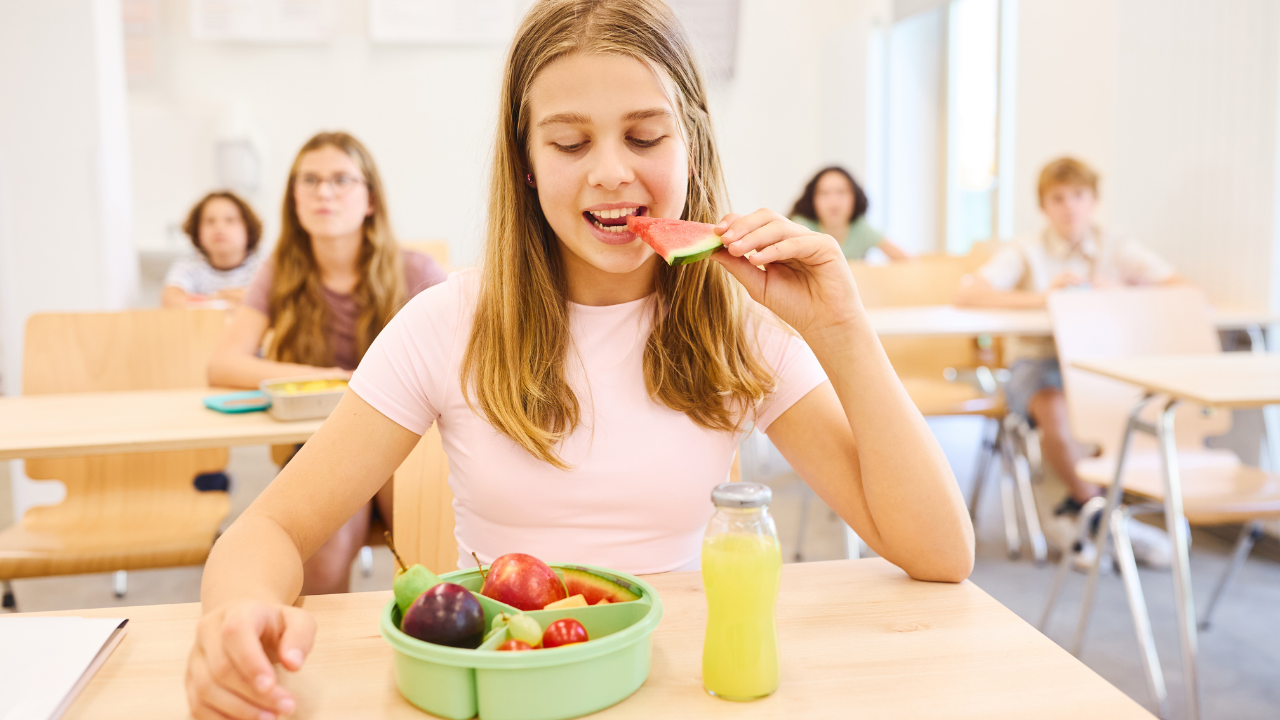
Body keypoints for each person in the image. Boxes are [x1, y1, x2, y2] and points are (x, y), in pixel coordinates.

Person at [185, 2, 973, 717]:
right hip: (509, 687)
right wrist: (233, 617)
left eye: (644, 136)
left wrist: (842, 330)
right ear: (526, 163)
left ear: (691, 142)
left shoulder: (738, 323)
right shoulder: (447, 322)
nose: (610, 171)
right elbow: (273, 530)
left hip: (682, 684)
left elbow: (940, 554)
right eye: (569, 141)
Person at [206, 131, 447, 596]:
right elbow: (224, 364)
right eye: (309, 180)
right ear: (294, 197)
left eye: (341, 179)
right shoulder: (280, 271)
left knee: (429, 561)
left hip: (413, 449)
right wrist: (334, 380)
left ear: (370, 198)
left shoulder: (417, 273)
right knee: (321, 567)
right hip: (325, 449)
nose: (323, 192)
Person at [955, 157, 1182, 569]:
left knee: (1137, 412)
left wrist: (1118, 292)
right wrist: (1045, 297)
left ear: (1093, 201)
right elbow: (969, 294)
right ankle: (1103, 516)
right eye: (1058, 199)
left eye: (1078, 196)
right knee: (1055, 410)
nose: (1069, 207)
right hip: (1038, 363)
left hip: (1101, 365)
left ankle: (1077, 516)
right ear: (1044, 206)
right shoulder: (1026, 250)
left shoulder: (1116, 244)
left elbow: (1183, 289)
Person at [162, 191, 264, 308]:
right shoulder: (190, 264)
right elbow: (170, 301)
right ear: (197, 230)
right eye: (210, 221)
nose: (219, 227)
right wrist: (224, 299)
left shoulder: (266, 263)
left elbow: (274, 302)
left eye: (230, 220)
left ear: (248, 228)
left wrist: (208, 301)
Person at [789, 167, 909, 261]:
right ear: (812, 200)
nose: (833, 202)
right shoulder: (800, 227)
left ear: (855, 198)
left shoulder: (860, 229)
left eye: (841, 192)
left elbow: (904, 259)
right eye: (824, 193)